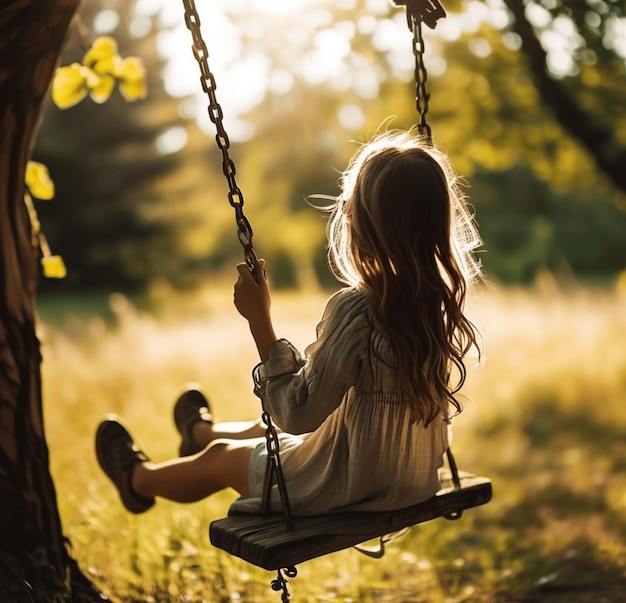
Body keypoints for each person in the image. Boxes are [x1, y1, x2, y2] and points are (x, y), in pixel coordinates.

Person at [95, 128, 483, 516]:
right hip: (412, 480)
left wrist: (259, 320)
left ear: (363, 227)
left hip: (346, 485)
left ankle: (138, 480)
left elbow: (299, 413)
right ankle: (199, 432)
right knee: (267, 433)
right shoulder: (438, 306)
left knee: (220, 459)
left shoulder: (361, 311)